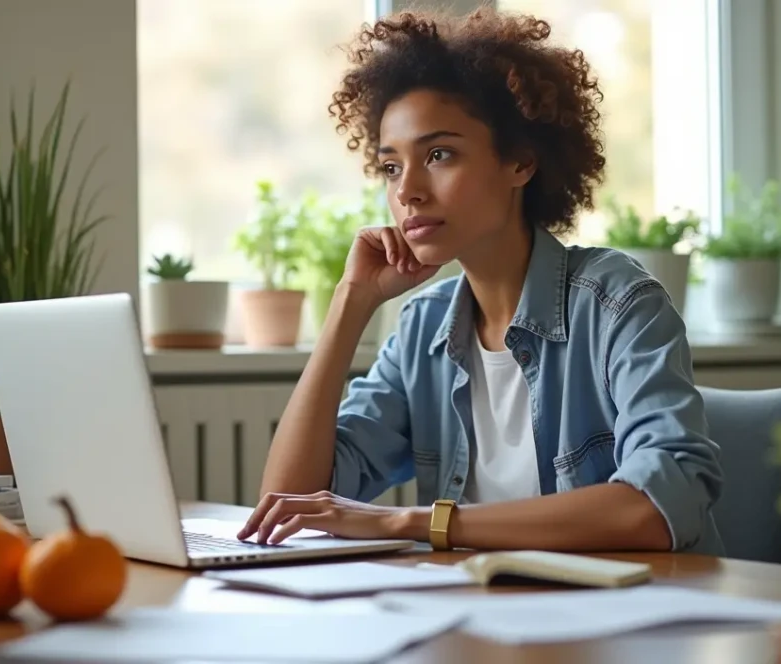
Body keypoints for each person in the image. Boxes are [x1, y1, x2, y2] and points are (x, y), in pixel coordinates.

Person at [236, 5, 724, 555]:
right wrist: (351, 303)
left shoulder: (617, 304)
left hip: (631, 621)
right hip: (482, 615)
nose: (408, 192)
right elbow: (287, 503)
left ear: (520, 162)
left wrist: (412, 523)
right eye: (392, 166)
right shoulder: (423, 330)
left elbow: (660, 505)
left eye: (439, 154)